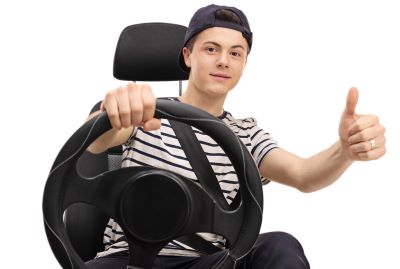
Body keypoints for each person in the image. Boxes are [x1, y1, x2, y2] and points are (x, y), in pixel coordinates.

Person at [85, 4, 386, 269]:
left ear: (243, 65)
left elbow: (304, 175)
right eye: (211, 49)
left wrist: (345, 150)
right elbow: (94, 141)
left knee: (280, 245)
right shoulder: (144, 111)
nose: (223, 61)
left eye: (235, 53)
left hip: (208, 264)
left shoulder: (246, 133)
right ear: (188, 56)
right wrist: (114, 113)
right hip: (130, 260)